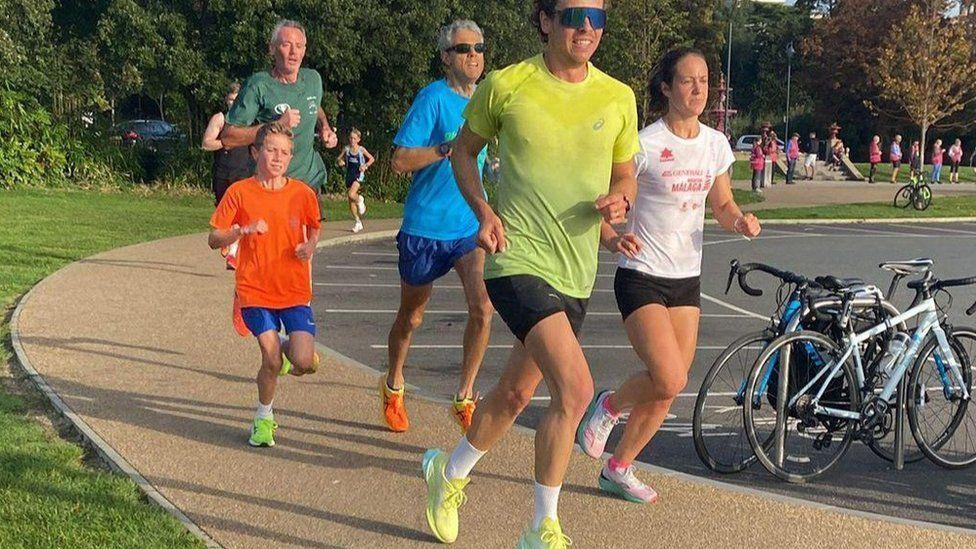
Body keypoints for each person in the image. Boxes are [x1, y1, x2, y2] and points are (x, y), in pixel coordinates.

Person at [421, 2, 639, 546]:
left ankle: (447, 475)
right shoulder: (508, 84)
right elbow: (463, 154)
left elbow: (625, 176)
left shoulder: (617, 97)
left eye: (597, 16)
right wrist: (484, 212)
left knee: (516, 394)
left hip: (575, 270)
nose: (586, 27)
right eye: (573, 14)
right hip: (515, 258)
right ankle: (542, 527)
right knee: (576, 389)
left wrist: (619, 205)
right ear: (545, 21)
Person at [577, 46, 761, 506]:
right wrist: (611, 233)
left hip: (686, 278)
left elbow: (721, 203)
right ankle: (608, 406)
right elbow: (605, 196)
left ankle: (618, 468)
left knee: (667, 388)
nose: (699, 89)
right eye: (687, 81)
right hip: (641, 273)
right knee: (670, 376)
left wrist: (738, 220)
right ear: (666, 88)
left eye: (704, 81)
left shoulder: (716, 144)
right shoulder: (645, 143)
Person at [380, 19, 493, 435]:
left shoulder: (486, 99)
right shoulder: (432, 99)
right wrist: (448, 148)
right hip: (426, 227)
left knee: (483, 307)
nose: (474, 56)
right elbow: (399, 161)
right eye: (465, 50)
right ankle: (393, 383)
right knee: (411, 317)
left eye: (479, 48)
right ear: (447, 57)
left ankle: (464, 396)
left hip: (467, 225)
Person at [208, 125, 322, 448]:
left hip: (294, 290)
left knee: (302, 361)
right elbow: (213, 237)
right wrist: (240, 232)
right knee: (270, 359)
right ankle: (263, 418)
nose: (278, 157)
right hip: (254, 289)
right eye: (271, 150)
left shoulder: (303, 194)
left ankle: (290, 350)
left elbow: (315, 228)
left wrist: (310, 246)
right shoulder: (240, 192)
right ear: (256, 153)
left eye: (284, 152)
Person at [219, 20, 339, 217]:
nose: (293, 52)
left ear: (304, 50)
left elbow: (314, 104)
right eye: (286, 45)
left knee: (305, 247)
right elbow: (228, 137)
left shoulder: (313, 79)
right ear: (272, 49)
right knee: (273, 247)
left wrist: (324, 127)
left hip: (308, 183)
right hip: (271, 188)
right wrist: (276, 125)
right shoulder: (259, 85)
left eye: (299, 46)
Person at [202, 82, 253, 270]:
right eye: (231, 99)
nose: (234, 103)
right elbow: (206, 143)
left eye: (237, 99)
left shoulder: (249, 121)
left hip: (244, 172)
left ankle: (233, 253)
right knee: (225, 217)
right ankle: (226, 241)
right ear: (227, 100)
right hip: (223, 172)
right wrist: (225, 142)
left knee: (241, 213)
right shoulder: (220, 119)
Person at [337, 128, 374, 233]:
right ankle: (358, 222)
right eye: (351, 138)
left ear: (358, 139)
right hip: (349, 174)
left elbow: (371, 159)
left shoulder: (361, 150)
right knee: (350, 201)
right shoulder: (346, 149)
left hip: (358, 175)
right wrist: (340, 162)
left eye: (354, 138)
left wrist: (365, 166)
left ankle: (360, 200)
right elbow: (339, 158)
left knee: (351, 194)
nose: (352, 140)